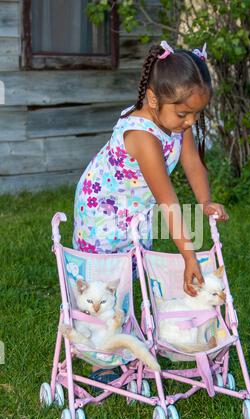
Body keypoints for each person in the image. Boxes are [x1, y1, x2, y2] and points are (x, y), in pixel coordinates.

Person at [73, 40, 229, 299]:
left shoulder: (177, 122)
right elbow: (167, 201)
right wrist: (189, 257)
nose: (190, 121)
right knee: (102, 286)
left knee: (128, 272)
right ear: (154, 99)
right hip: (103, 212)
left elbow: (192, 163)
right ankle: (94, 330)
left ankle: (126, 323)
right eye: (183, 114)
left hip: (133, 207)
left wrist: (205, 202)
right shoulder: (143, 138)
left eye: (196, 114)